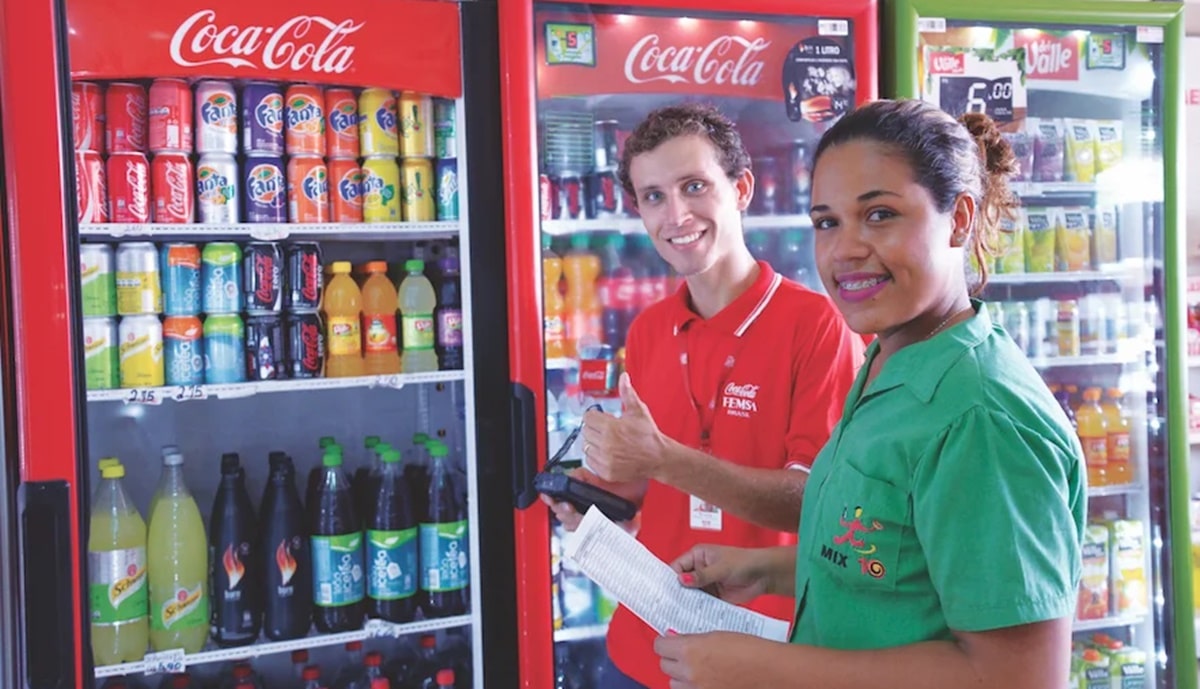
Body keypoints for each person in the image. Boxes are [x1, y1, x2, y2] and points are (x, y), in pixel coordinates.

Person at [652, 98, 1086, 689]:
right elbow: (900, 563)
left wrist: (758, 668)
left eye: (879, 215)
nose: (844, 249)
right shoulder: (892, 353)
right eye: (827, 222)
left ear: (958, 219)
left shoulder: (981, 418)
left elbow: (1017, 677)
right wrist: (771, 569)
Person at [542, 103, 864, 689]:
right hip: (645, 641)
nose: (677, 214)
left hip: (761, 651)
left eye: (694, 187)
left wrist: (663, 458)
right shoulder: (647, 329)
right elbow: (650, 488)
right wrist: (600, 498)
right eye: (654, 196)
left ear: (741, 188)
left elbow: (818, 505)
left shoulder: (817, 324)